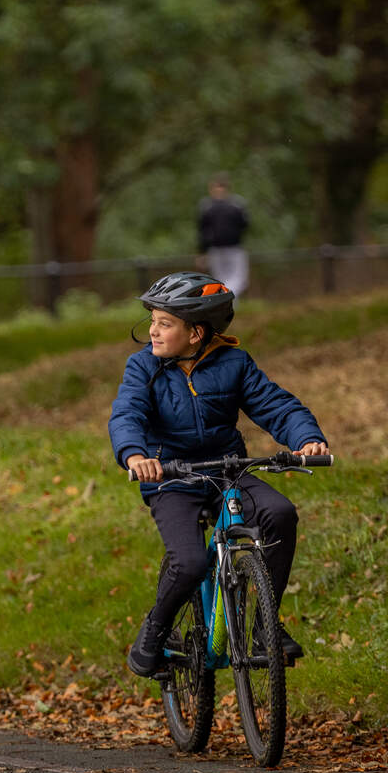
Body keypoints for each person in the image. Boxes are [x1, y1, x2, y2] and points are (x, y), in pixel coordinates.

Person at [107, 271, 329, 678]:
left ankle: (264, 626)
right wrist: (135, 454)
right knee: (189, 562)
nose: (152, 331)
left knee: (279, 513)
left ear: (196, 333)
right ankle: (156, 631)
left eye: (164, 323)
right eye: (152, 321)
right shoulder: (143, 367)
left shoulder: (233, 363)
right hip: (171, 477)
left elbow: (275, 405)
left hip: (227, 471)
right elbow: (127, 412)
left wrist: (307, 439)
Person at [196, 174, 251, 296]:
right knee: (223, 279)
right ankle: (227, 300)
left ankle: (226, 299)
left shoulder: (235, 205)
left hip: (233, 248)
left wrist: (201, 251)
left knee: (236, 279)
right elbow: (203, 231)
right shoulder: (209, 206)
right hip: (217, 250)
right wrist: (202, 251)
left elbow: (244, 225)